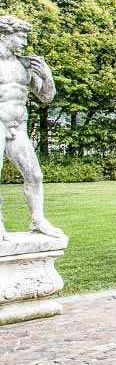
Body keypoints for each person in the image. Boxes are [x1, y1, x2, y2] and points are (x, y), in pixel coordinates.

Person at [0, 16, 63, 239]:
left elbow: (46, 97)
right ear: (5, 35)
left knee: (34, 175)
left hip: (17, 126)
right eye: (21, 37)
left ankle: (38, 220)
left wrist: (47, 76)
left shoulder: (24, 65)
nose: (25, 42)